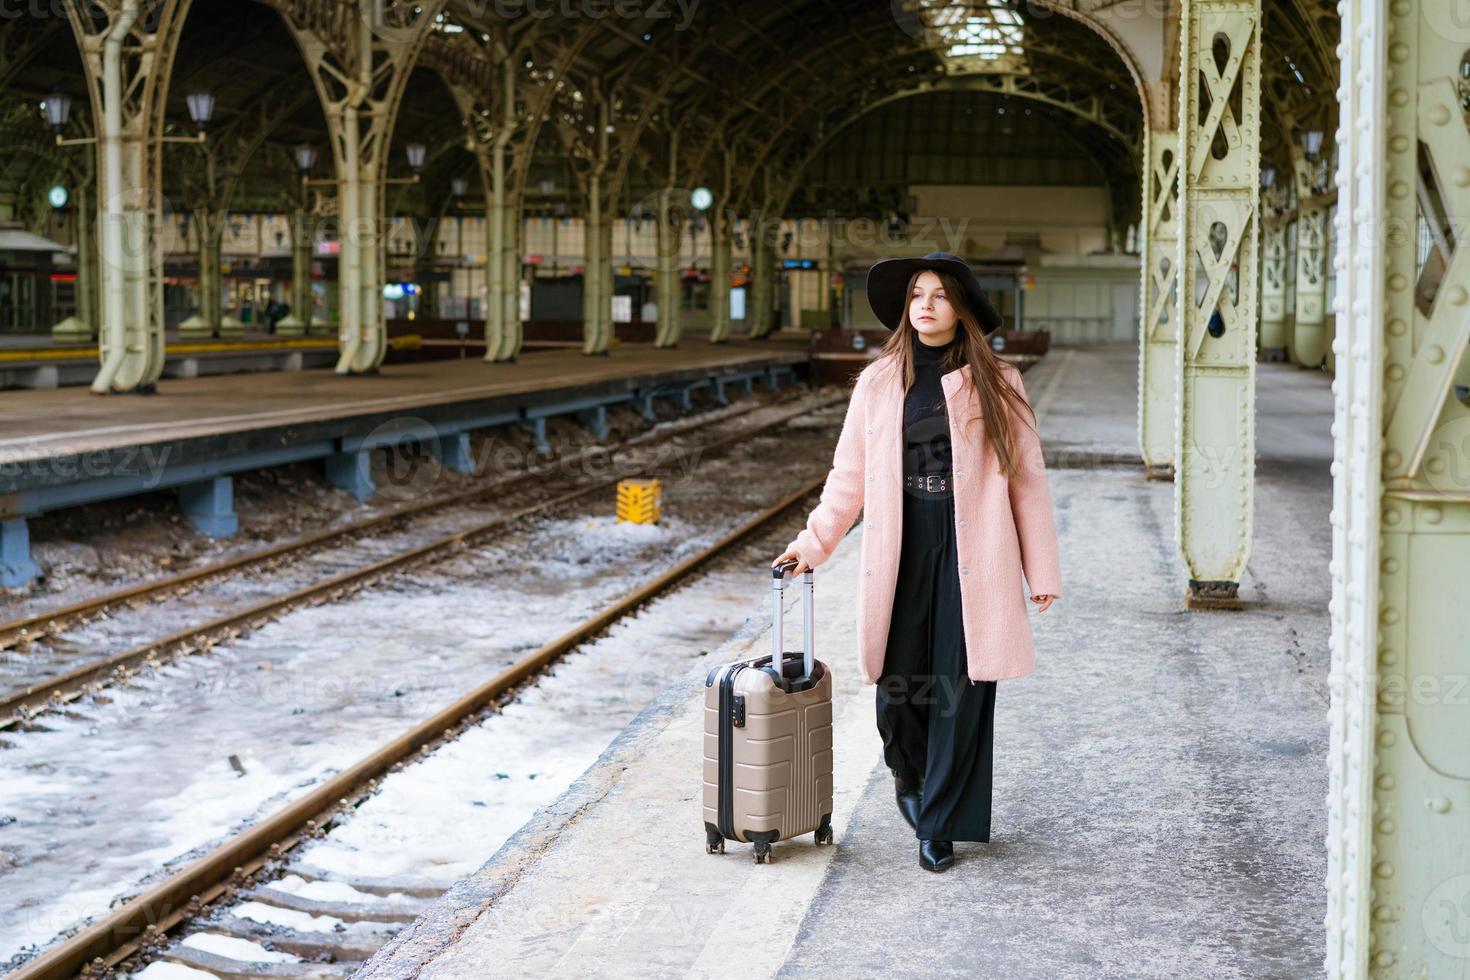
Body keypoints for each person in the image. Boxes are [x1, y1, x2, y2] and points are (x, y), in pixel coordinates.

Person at [771, 250, 1061, 873]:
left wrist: (1041, 571)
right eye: (915, 296)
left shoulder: (998, 380)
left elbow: (1027, 481)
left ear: (961, 308)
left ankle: (941, 822)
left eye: (939, 294)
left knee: (961, 682)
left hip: (974, 542)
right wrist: (813, 542)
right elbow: (848, 478)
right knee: (898, 682)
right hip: (903, 539)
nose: (925, 305)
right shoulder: (879, 382)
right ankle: (908, 773)